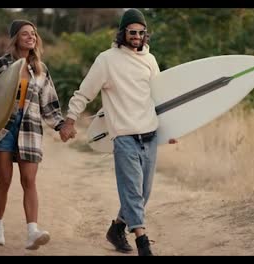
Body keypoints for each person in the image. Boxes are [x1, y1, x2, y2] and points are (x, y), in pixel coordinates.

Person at [60, 8, 176, 256]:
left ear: (145, 34)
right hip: (124, 137)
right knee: (132, 192)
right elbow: (84, 92)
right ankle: (143, 244)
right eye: (131, 32)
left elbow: (158, 99)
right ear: (123, 33)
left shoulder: (150, 60)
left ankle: (116, 229)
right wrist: (69, 120)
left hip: (150, 135)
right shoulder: (107, 60)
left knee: (143, 194)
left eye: (140, 32)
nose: (136, 36)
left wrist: (171, 130)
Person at [0, 19, 65, 250]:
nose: (31, 37)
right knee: (4, 180)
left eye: (33, 33)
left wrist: (62, 126)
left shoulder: (40, 69)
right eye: (25, 34)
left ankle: (32, 231)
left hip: (30, 127)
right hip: (2, 127)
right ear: (15, 39)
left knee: (29, 180)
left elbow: (49, 104)